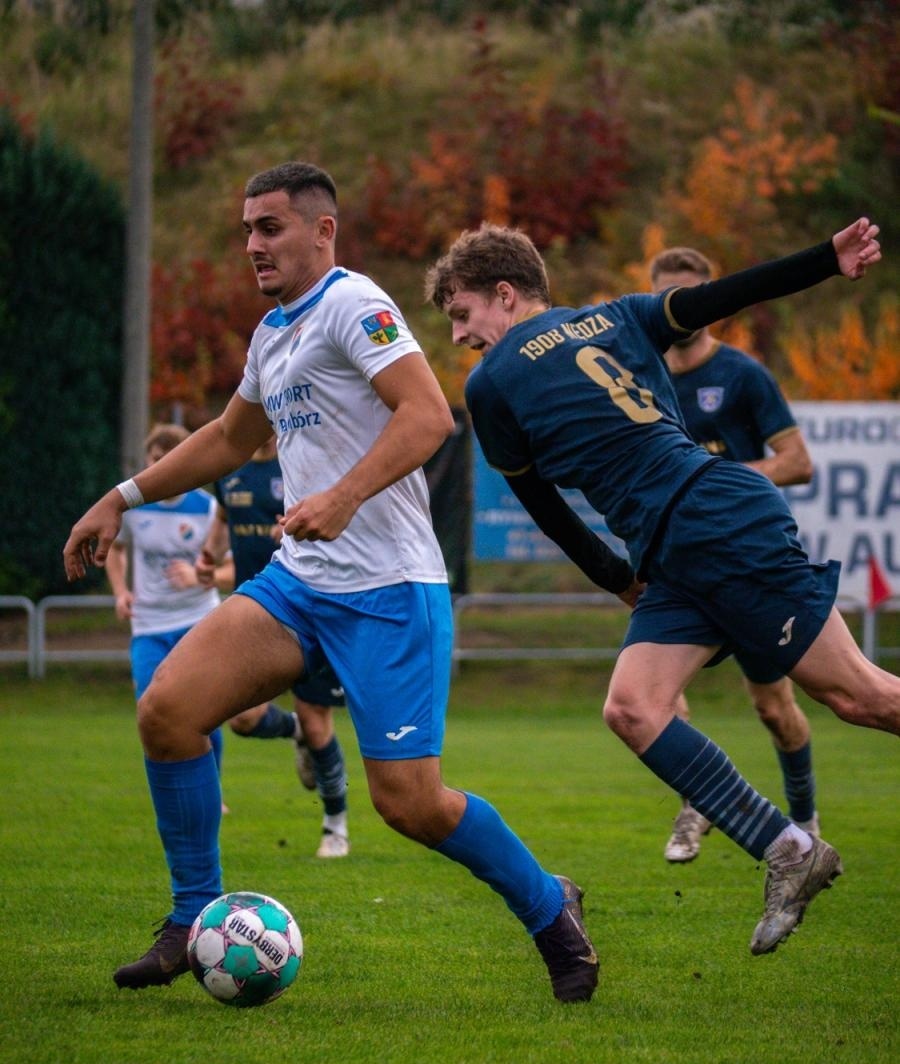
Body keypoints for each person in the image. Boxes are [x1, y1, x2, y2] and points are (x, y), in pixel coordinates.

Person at [63, 161, 635, 1003]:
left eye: (270, 227)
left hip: (391, 591)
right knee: (168, 711)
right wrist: (121, 496)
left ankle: (552, 907)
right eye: (247, 229)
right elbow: (227, 438)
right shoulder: (273, 333)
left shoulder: (353, 304)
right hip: (300, 584)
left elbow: (430, 415)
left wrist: (340, 495)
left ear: (321, 230)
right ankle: (191, 920)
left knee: (411, 804)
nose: (253, 243)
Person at [426, 216, 899, 957]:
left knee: (860, 696)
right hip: (685, 541)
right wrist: (827, 260)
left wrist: (616, 580)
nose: (458, 336)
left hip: (711, 526)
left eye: (461, 314)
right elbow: (725, 295)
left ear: (506, 294)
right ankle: (789, 851)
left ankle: (789, 849)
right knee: (633, 708)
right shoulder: (619, 314)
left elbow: (546, 511)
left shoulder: (490, 384)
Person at [648, 245, 819, 864]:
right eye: (672, 297)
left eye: (694, 294)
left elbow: (798, 462)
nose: (684, 310)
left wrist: (717, 478)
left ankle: (805, 821)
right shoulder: (640, 375)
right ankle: (697, 806)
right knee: (652, 702)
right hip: (673, 560)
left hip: (745, 558)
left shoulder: (743, 375)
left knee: (774, 709)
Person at [170, 434, 353, 858]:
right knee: (242, 720)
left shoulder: (298, 463)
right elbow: (222, 520)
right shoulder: (231, 471)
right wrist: (208, 558)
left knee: (318, 722)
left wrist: (295, 527)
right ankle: (295, 733)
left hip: (308, 607)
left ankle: (335, 826)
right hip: (253, 610)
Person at [103, 424, 225, 864]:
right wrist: (121, 591)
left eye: (168, 460)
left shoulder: (208, 507)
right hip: (150, 623)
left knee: (206, 710)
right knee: (152, 709)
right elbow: (116, 551)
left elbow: (227, 566)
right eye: (154, 462)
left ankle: (213, 790)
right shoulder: (135, 508)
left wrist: (200, 575)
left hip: (199, 618)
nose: (160, 469)